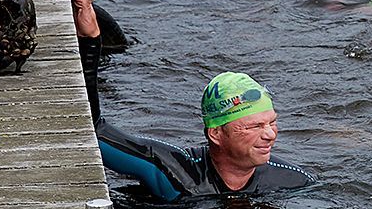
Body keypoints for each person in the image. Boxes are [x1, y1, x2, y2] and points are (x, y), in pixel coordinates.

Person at [95, 70, 316, 201]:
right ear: (216, 133)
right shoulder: (175, 171)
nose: (270, 134)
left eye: (272, 122)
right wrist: (92, 41)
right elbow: (93, 132)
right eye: (254, 126)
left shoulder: (294, 181)